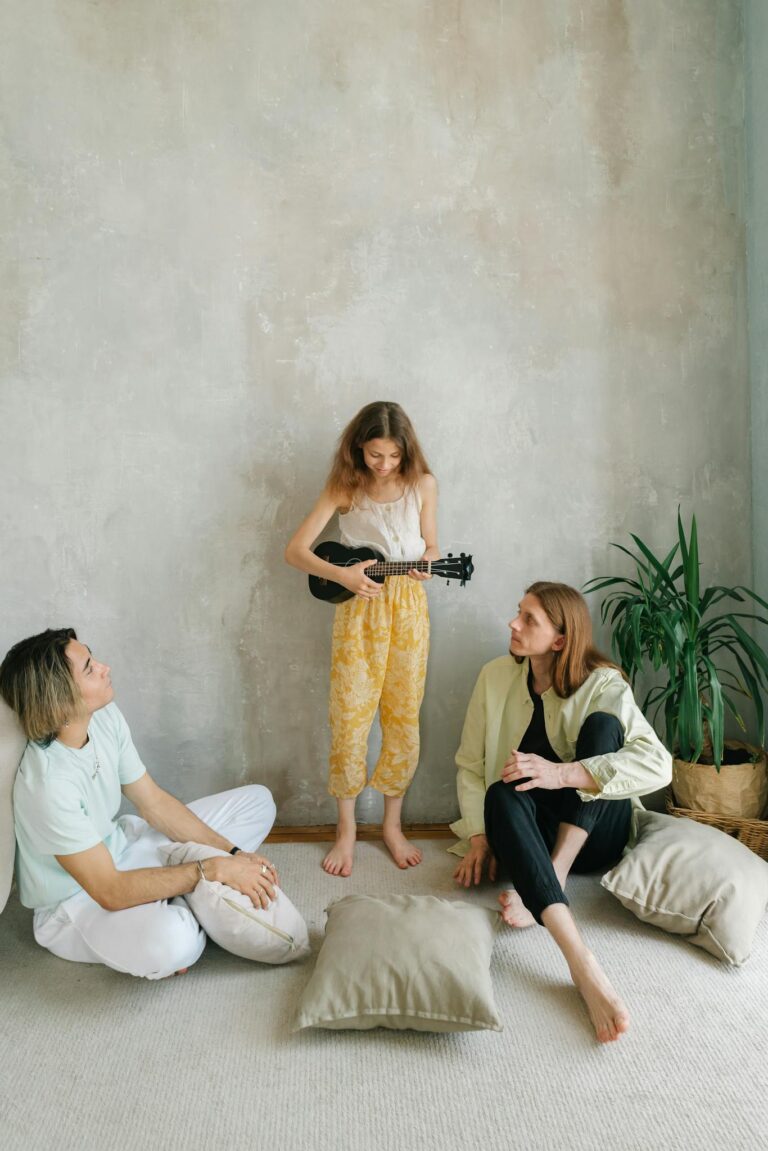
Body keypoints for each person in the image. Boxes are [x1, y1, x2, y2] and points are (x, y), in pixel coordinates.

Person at [450, 581, 672, 1043]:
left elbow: (658, 765)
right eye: (518, 612)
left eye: (529, 619)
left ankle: (558, 880)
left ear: (561, 639)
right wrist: (478, 837)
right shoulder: (494, 676)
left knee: (603, 728)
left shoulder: (603, 682)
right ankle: (579, 957)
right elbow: (470, 766)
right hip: (529, 837)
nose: (513, 624)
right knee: (499, 792)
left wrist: (563, 774)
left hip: (596, 839)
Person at [0, 627, 286, 980]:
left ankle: (179, 894)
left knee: (258, 802)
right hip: (77, 904)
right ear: (58, 701)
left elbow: (153, 802)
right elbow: (109, 890)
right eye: (90, 668)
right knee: (171, 943)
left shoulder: (103, 717)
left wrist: (233, 852)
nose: (105, 667)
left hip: (126, 848)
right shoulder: (46, 785)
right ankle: (187, 898)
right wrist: (211, 870)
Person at [285, 400, 438, 876]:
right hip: (359, 610)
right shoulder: (344, 487)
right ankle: (346, 829)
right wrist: (344, 576)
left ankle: (392, 825)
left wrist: (429, 561)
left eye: (393, 456)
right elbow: (295, 551)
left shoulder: (423, 485)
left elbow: (431, 543)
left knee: (402, 716)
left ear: (405, 451)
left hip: (409, 609)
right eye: (375, 455)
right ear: (359, 449)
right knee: (350, 718)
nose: (385, 465)